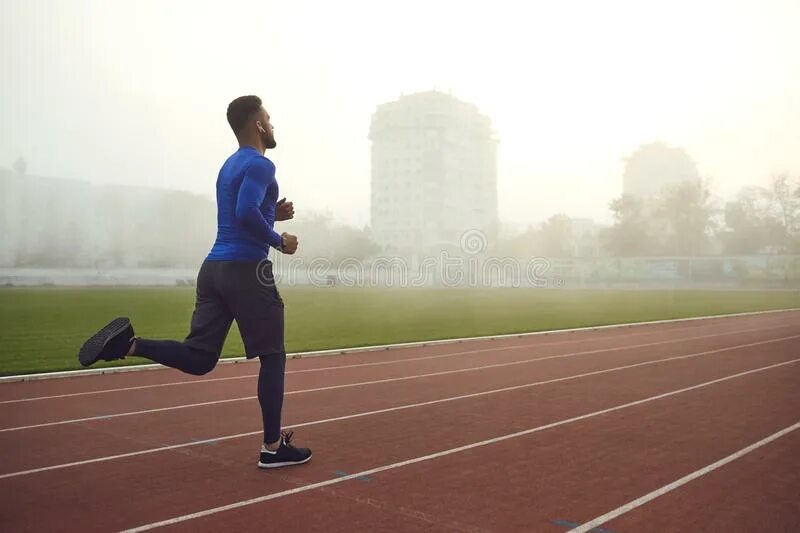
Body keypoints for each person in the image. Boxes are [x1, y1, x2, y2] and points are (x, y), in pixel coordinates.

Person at [78, 95, 311, 469]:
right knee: (273, 355)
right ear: (258, 126)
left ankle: (129, 343)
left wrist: (273, 214)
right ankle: (272, 447)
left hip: (213, 269)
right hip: (247, 270)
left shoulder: (228, 166)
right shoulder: (263, 166)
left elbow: (243, 216)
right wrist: (279, 240)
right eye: (269, 118)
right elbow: (246, 213)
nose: (273, 124)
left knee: (201, 357)